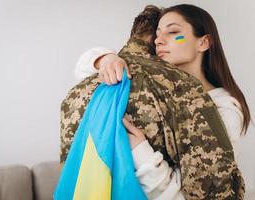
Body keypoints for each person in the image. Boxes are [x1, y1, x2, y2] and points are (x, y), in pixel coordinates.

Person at [74, 4, 251, 200]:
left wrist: (141, 153)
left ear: (203, 43)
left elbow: (197, 193)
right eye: (157, 34)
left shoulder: (224, 107)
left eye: (173, 32)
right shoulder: (155, 85)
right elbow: (83, 69)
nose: (159, 40)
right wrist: (106, 59)